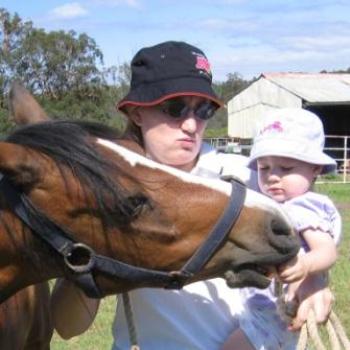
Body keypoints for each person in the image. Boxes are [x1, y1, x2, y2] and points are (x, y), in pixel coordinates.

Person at [50, 41, 334, 350]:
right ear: (136, 113)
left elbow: (308, 237)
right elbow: (67, 327)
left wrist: (313, 280)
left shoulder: (249, 178)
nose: (191, 124)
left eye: (203, 110)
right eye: (175, 108)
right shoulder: (110, 191)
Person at [222, 108, 342, 350]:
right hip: (262, 308)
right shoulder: (275, 204)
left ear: (315, 168)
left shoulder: (305, 206)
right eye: (264, 168)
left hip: (275, 314)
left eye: (286, 168)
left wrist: (306, 266)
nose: (273, 177)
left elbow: (327, 251)